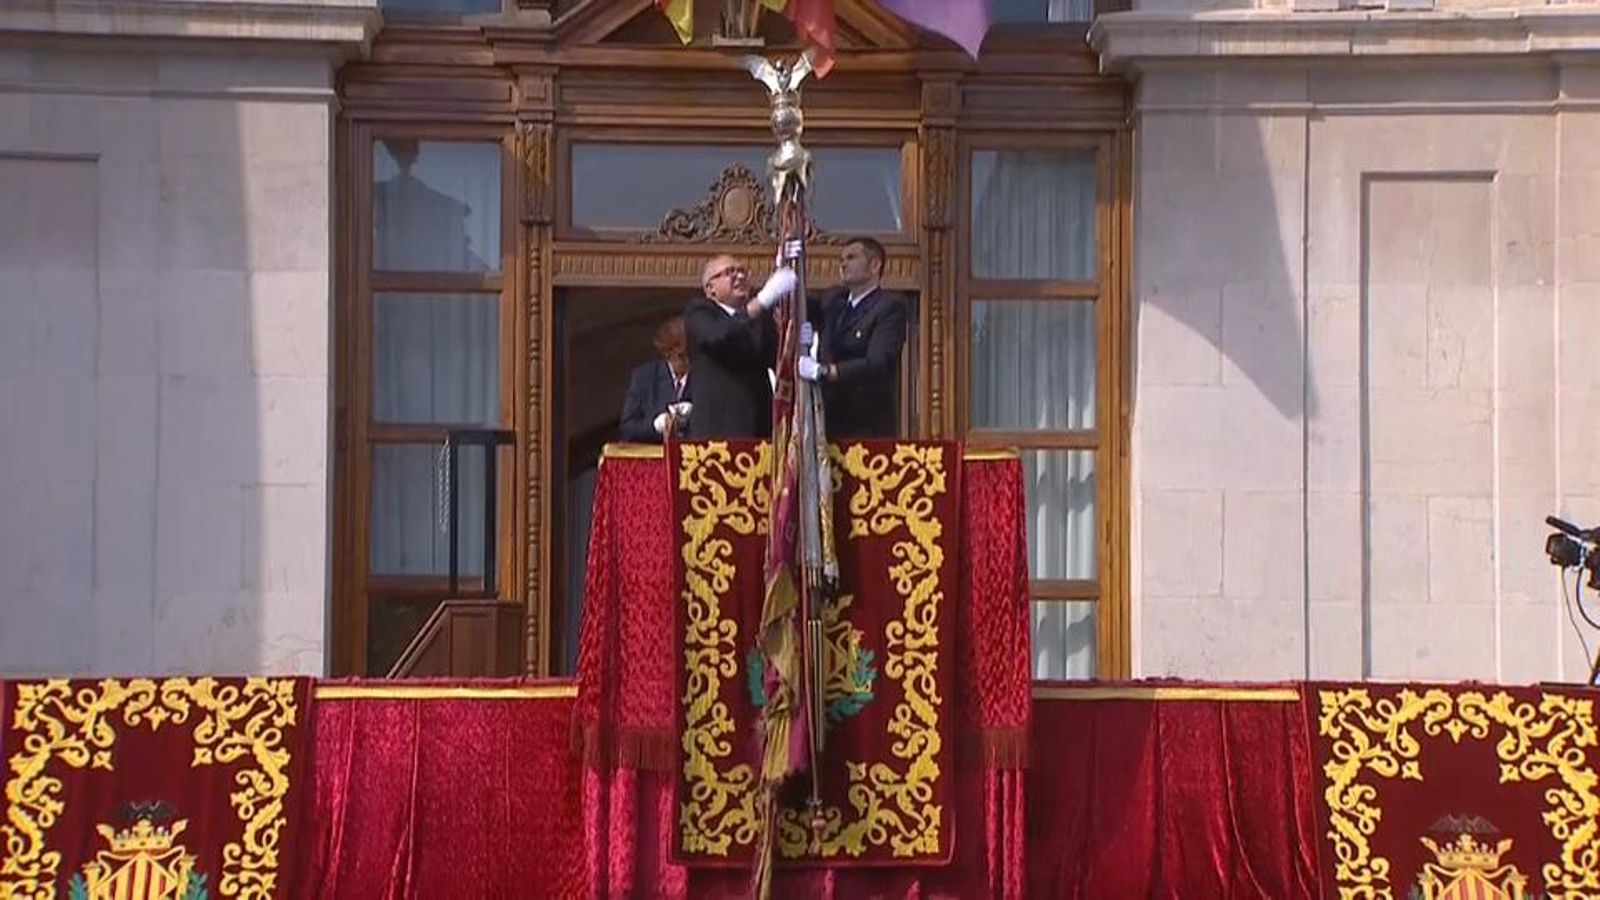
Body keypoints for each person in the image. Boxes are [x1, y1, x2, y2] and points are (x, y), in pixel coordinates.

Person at [798, 237, 908, 438]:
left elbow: (878, 362)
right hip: (827, 421)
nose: (843, 263)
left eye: (851, 257)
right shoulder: (834, 300)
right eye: (841, 259)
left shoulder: (889, 307)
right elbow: (800, 305)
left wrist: (826, 371)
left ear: (874, 265)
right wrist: (789, 268)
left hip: (865, 424)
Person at [683, 254, 796, 439]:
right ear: (710, 288)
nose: (740, 276)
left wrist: (796, 338)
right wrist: (761, 301)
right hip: (718, 432)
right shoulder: (699, 312)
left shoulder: (760, 318)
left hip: (760, 430)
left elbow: (777, 360)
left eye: (742, 271)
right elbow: (719, 335)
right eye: (730, 272)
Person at [619, 316, 693, 442]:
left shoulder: (705, 376)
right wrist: (655, 426)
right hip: (656, 455)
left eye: (691, 354)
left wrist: (694, 415)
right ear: (667, 354)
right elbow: (628, 428)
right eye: (681, 356)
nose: (688, 361)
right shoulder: (644, 378)